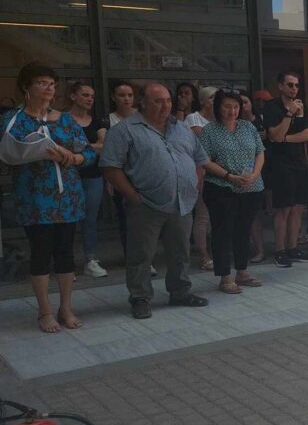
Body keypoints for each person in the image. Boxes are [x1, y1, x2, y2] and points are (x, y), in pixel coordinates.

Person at [100, 82, 209, 320]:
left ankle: (180, 292)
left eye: (168, 100)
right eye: (158, 101)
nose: (165, 105)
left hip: (182, 204)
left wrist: (194, 185)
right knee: (141, 255)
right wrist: (132, 195)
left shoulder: (182, 129)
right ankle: (140, 298)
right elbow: (110, 167)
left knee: (180, 252)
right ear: (144, 102)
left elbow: (200, 160)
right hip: (145, 205)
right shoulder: (125, 130)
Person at [5, 64, 95, 333]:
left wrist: (76, 157)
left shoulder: (65, 120)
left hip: (67, 198)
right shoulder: (14, 120)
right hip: (35, 199)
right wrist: (46, 151)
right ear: (26, 87)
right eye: (42, 83)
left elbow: (88, 153)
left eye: (52, 84)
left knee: (66, 254)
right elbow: (9, 153)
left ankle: (66, 307)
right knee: (41, 253)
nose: (48, 88)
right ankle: (44, 311)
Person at [198, 89, 265, 294]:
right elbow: (205, 160)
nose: (232, 111)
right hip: (222, 187)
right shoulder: (210, 130)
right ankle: (225, 276)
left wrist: (254, 174)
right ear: (217, 107)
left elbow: (260, 152)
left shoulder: (247, 127)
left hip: (251, 186)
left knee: (243, 229)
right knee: (223, 231)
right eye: (227, 106)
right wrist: (229, 176)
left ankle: (242, 271)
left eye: (236, 106)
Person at [261, 70, 308, 268]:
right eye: (290, 85)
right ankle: (280, 250)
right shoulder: (272, 107)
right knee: (283, 209)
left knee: (298, 207)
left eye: (296, 85)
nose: (294, 89)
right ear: (281, 86)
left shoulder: (302, 105)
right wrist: (289, 113)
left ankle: (293, 247)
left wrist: (286, 138)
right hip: (280, 163)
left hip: (299, 161)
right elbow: (274, 134)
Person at [67, 82, 109, 277]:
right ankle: (66, 264)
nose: (89, 99)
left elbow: (104, 146)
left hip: (93, 176)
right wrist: (92, 147)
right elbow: (62, 147)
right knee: (68, 219)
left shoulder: (97, 122)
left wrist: (80, 147)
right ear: (73, 96)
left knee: (90, 219)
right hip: (69, 176)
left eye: (91, 95)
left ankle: (90, 259)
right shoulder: (63, 120)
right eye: (85, 95)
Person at [184, 86, 217, 270]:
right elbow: (206, 142)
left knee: (215, 215)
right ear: (204, 100)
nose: (217, 101)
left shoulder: (220, 120)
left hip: (219, 170)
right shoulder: (193, 118)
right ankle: (203, 255)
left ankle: (216, 250)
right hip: (200, 170)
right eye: (213, 98)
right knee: (202, 215)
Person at [108, 80, 136, 254]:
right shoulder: (109, 120)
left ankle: (147, 257)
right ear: (113, 97)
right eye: (122, 95)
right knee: (126, 217)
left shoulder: (143, 117)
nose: (126, 99)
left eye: (130, 95)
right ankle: (131, 256)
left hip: (143, 174)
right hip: (121, 174)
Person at [240, 91, 267, 263]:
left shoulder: (257, 122)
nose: (241, 107)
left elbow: (260, 151)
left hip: (258, 172)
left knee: (255, 213)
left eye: (244, 102)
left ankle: (259, 249)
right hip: (233, 175)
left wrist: (255, 173)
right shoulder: (219, 128)